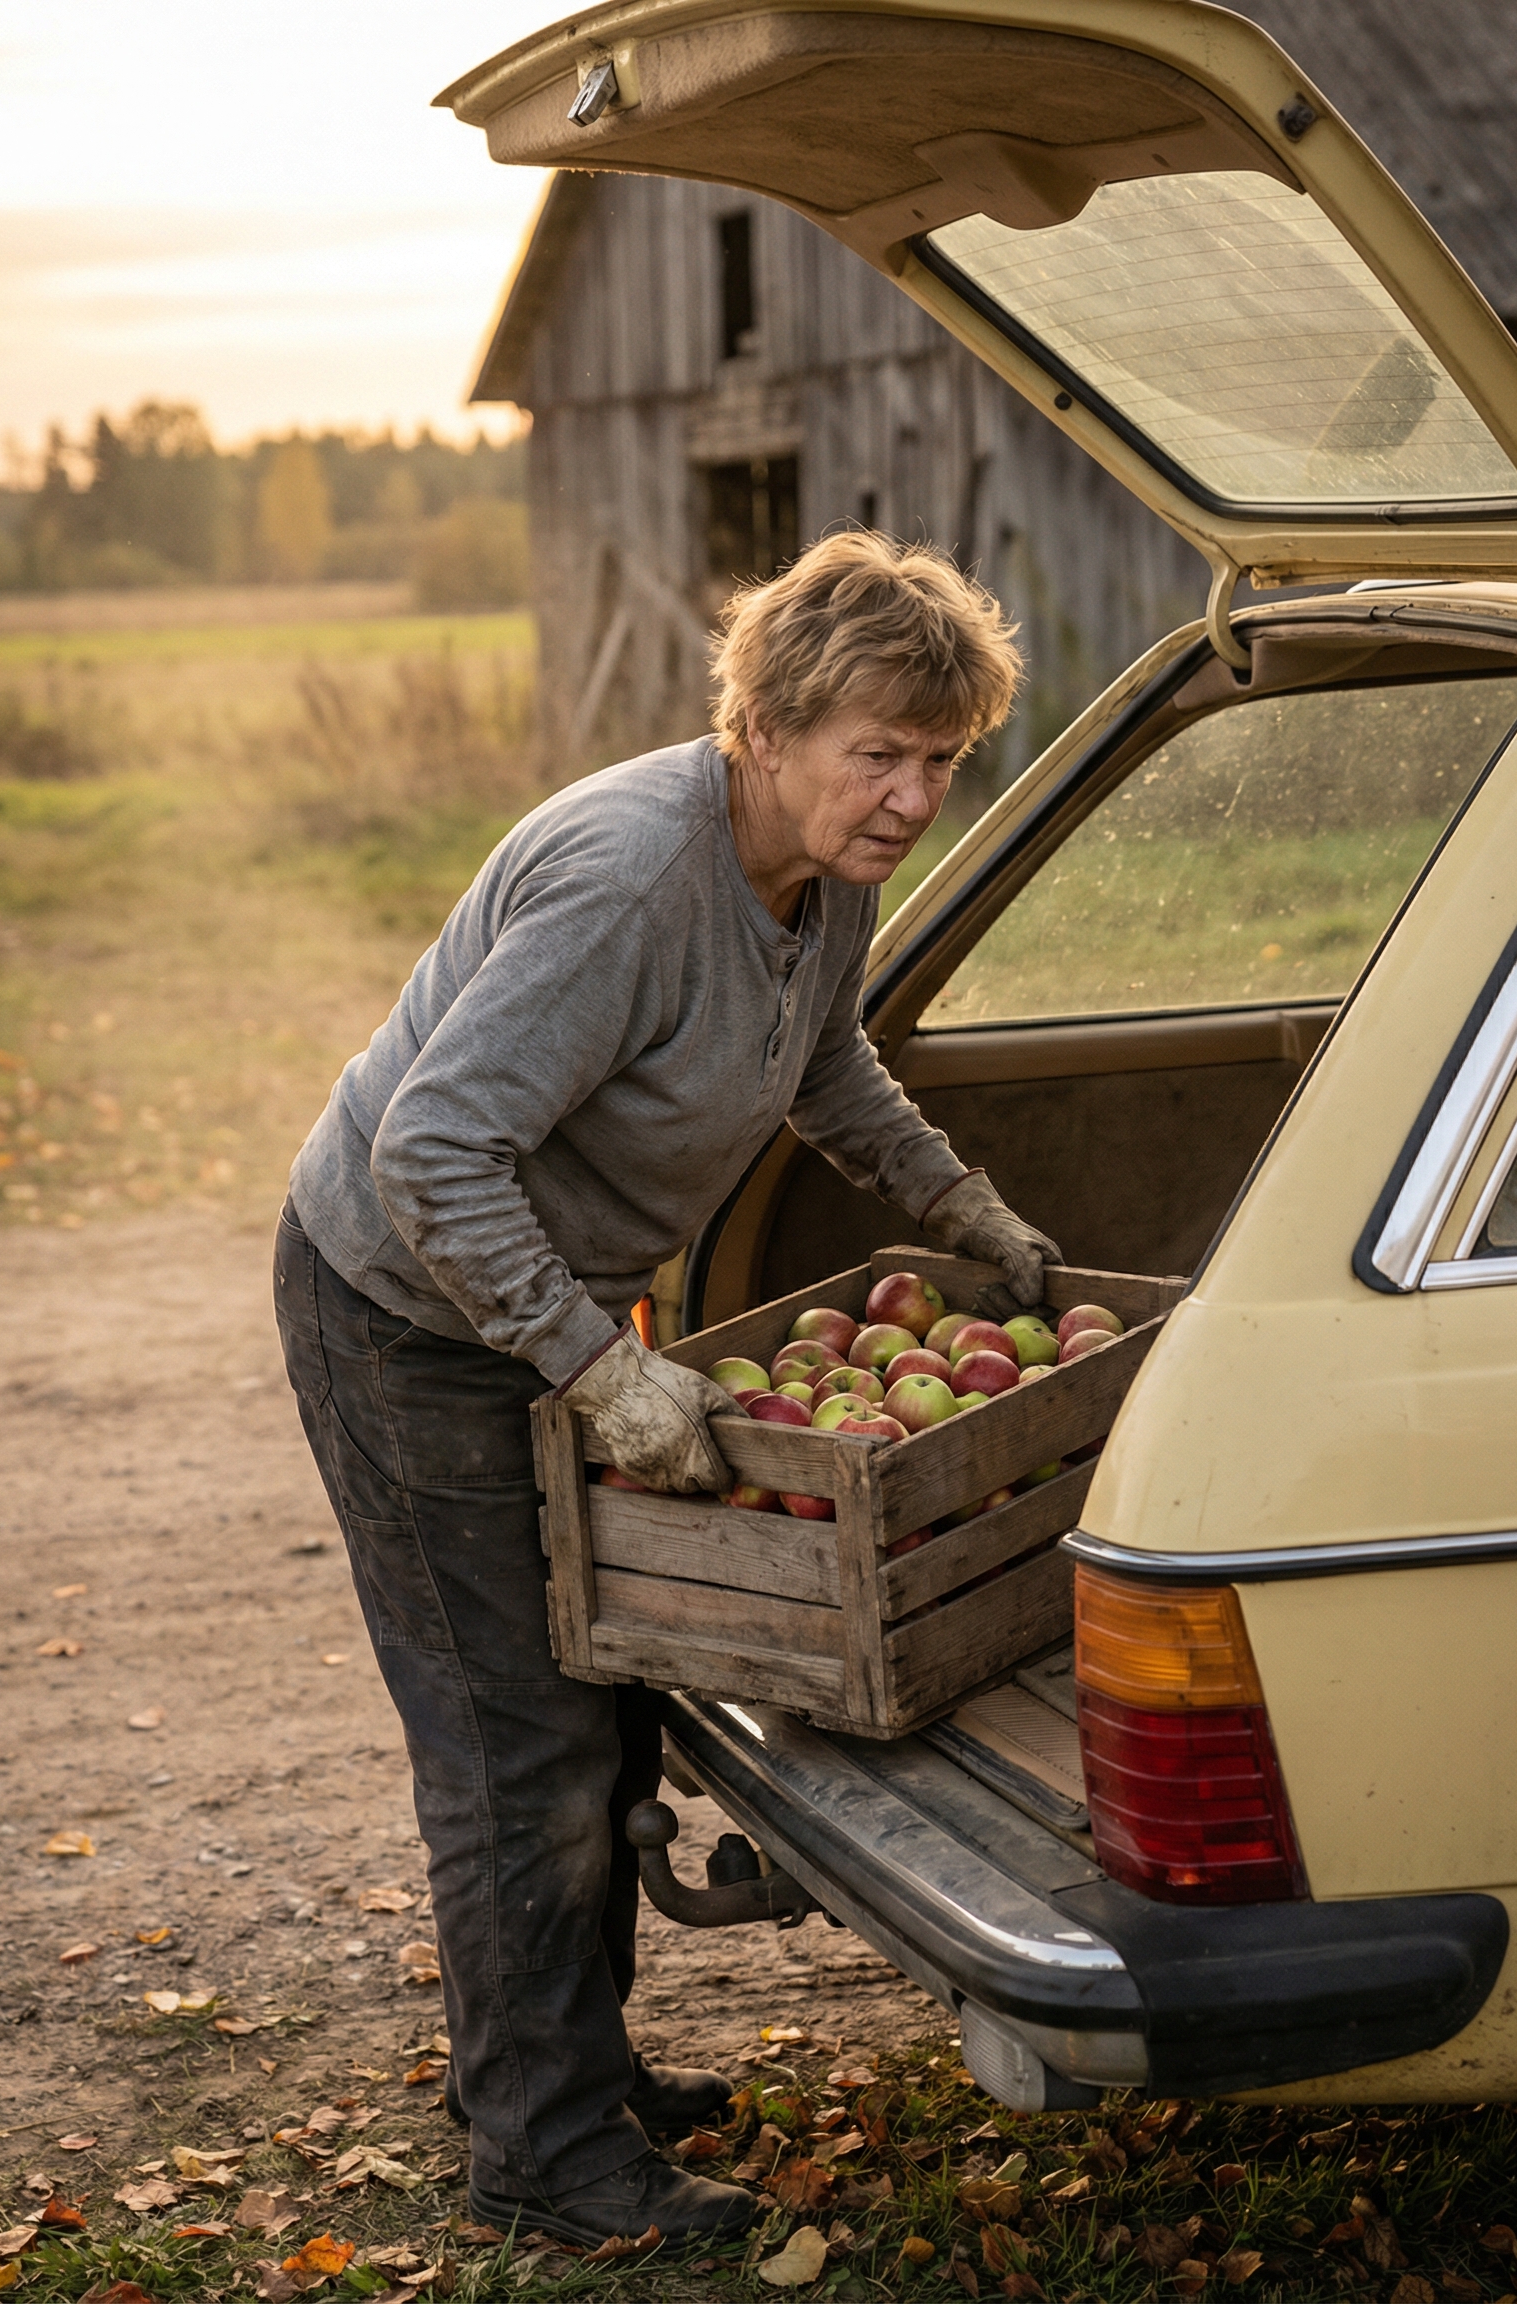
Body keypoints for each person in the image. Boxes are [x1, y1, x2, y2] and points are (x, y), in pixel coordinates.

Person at [273, 529, 1061, 2246]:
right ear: (764, 727)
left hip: (549, 1310)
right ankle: (542, 2158)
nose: (915, 798)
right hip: (408, 1311)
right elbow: (433, 1151)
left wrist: (958, 1208)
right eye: (881, 754)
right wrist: (599, 1370)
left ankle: (569, 2074)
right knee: (520, 1745)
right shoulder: (635, 882)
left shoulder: (822, 872)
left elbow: (821, 1056)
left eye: (942, 759)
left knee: (603, 1694)